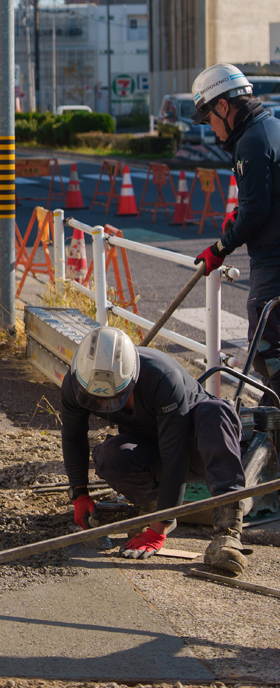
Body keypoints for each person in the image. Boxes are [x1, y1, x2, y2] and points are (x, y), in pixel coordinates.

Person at [62, 326, 248, 574]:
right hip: (150, 450)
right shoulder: (74, 383)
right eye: (96, 399)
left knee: (215, 413)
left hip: (197, 447)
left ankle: (227, 534)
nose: (103, 405)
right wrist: (80, 494)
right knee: (110, 455)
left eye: (113, 398)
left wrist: (159, 529)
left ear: (132, 378)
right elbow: (73, 436)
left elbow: (176, 455)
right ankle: (150, 507)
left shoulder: (161, 377)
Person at [191, 63, 280, 403]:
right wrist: (241, 211)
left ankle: (274, 435)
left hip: (273, 261)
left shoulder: (251, 143)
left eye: (209, 118)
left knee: (267, 349)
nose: (212, 129)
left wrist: (220, 247)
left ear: (224, 107)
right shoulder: (271, 129)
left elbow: (257, 211)